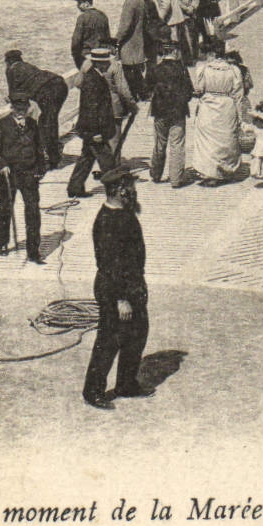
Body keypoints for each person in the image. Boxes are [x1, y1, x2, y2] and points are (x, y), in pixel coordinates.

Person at [82, 167, 151, 410]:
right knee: (109, 340)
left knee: (137, 334)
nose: (133, 190)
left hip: (132, 287)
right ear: (120, 191)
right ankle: (93, 391)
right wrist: (121, 299)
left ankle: (126, 383)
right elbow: (109, 264)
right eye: (130, 187)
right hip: (115, 290)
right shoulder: (108, 221)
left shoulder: (124, 213)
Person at [0, 95, 46, 262]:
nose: (20, 113)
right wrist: (2, 165)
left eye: (24, 109)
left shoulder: (33, 125)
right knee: (5, 209)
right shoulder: (1, 125)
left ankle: (33, 251)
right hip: (8, 175)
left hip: (29, 174)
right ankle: (3, 243)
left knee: (33, 211)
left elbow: (40, 149)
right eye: (17, 109)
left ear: (28, 109)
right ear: (12, 109)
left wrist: (41, 169)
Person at [187, 40, 246, 185]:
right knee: (226, 139)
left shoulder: (203, 68)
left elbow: (199, 88)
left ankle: (210, 172)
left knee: (208, 141)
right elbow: (238, 95)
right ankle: (225, 170)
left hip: (208, 106)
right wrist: (240, 117)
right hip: (227, 106)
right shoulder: (234, 70)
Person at [67, 47, 119, 198]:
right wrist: (96, 132)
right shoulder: (93, 80)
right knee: (107, 161)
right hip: (94, 130)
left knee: (86, 158)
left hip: (90, 128)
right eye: (107, 62)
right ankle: (114, 190)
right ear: (100, 64)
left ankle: (74, 187)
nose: (109, 64)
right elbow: (91, 109)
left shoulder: (94, 77)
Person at [5, 49, 68, 170]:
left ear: (8, 62)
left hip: (48, 92)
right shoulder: (28, 66)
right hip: (60, 84)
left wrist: (10, 99)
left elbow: (14, 94)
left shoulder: (11, 70)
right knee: (48, 121)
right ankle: (51, 153)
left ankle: (52, 158)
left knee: (47, 124)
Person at [147, 47, 194, 187]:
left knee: (159, 144)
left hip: (160, 111)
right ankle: (175, 179)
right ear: (174, 52)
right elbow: (189, 92)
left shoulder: (155, 69)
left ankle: (156, 173)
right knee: (177, 144)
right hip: (178, 112)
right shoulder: (182, 69)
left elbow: (147, 88)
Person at [114, 0, 151, 101]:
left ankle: (134, 96)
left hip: (129, 43)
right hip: (139, 41)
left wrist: (116, 40)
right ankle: (144, 95)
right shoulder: (140, 0)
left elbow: (125, 25)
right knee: (136, 72)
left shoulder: (129, 2)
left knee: (128, 71)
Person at [71, 0, 111, 69]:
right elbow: (108, 38)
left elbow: (76, 41)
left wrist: (75, 56)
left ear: (86, 3)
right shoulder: (103, 15)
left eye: (79, 3)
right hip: (102, 56)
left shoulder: (82, 17)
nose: (77, 6)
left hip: (87, 56)